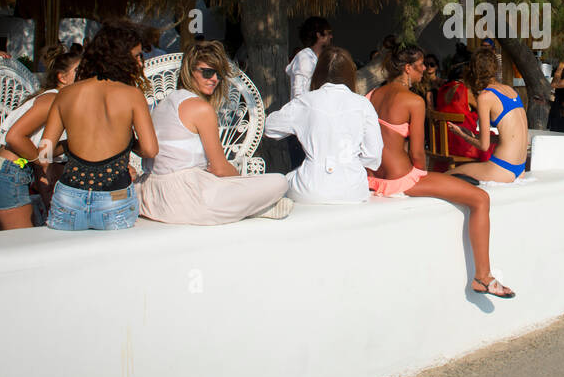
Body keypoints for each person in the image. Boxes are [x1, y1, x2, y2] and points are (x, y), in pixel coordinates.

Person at [368, 45, 514, 298]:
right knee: (481, 199)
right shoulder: (413, 101)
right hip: (403, 178)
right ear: (407, 68)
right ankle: (483, 277)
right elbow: (417, 154)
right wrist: (422, 176)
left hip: (374, 177)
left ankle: (484, 277)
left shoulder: (371, 96)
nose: (425, 69)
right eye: (421, 65)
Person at [137, 41, 292, 224]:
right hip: (186, 198)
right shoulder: (200, 109)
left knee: (237, 186)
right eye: (208, 72)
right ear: (189, 71)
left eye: (219, 74)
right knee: (279, 182)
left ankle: (251, 206)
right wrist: (243, 183)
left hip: (152, 195)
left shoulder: (165, 103)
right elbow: (220, 168)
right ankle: (255, 206)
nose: (214, 79)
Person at [40, 21, 158, 231]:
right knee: (115, 262)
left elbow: (43, 153)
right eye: (138, 56)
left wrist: (69, 146)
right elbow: (150, 150)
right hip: (115, 195)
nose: (141, 63)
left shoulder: (66, 94)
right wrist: (126, 141)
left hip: (68, 196)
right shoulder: (132, 96)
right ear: (120, 57)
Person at [264, 46, 383, 203]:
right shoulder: (363, 104)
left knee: (282, 182)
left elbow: (270, 127)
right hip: (353, 188)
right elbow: (373, 155)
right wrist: (345, 162)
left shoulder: (305, 101)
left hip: (309, 188)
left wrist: (301, 124)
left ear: (317, 72)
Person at [0, 44, 81, 230]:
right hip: (10, 172)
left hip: (5, 171)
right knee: (21, 247)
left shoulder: (53, 99)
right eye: (79, 72)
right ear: (62, 77)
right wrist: (41, 161)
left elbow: (39, 148)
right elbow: (15, 137)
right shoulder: (52, 100)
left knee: (2, 248)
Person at [444, 48, 530, 182]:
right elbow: (510, 137)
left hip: (502, 167)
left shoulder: (485, 97)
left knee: (446, 175)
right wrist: (473, 135)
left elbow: (484, 146)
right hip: (519, 168)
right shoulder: (511, 91)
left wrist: (462, 135)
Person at [285, 16, 334, 103]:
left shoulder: (320, 58)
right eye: (328, 33)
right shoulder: (304, 57)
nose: (331, 36)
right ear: (319, 35)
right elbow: (298, 94)